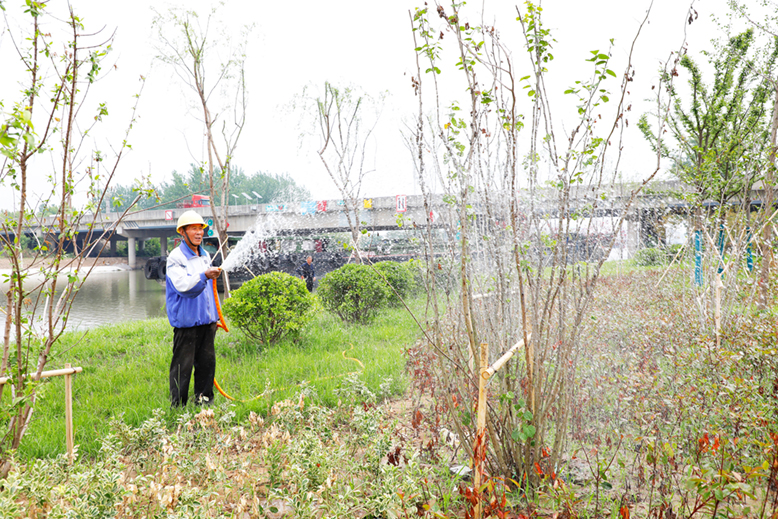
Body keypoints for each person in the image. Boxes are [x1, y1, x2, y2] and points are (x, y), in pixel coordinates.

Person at [165, 211, 222, 406]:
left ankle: (204, 401)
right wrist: (205, 275)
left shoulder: (204, 254)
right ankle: (178, 406)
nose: (199, 233)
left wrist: (215, 316)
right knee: (183, 367)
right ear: (183, 232)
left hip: (207, 322)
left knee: (207, 364)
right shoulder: (176, 257)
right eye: (194, 229)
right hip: (187, 323)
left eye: (200, 229)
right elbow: (184, 286)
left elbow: (209, 291)